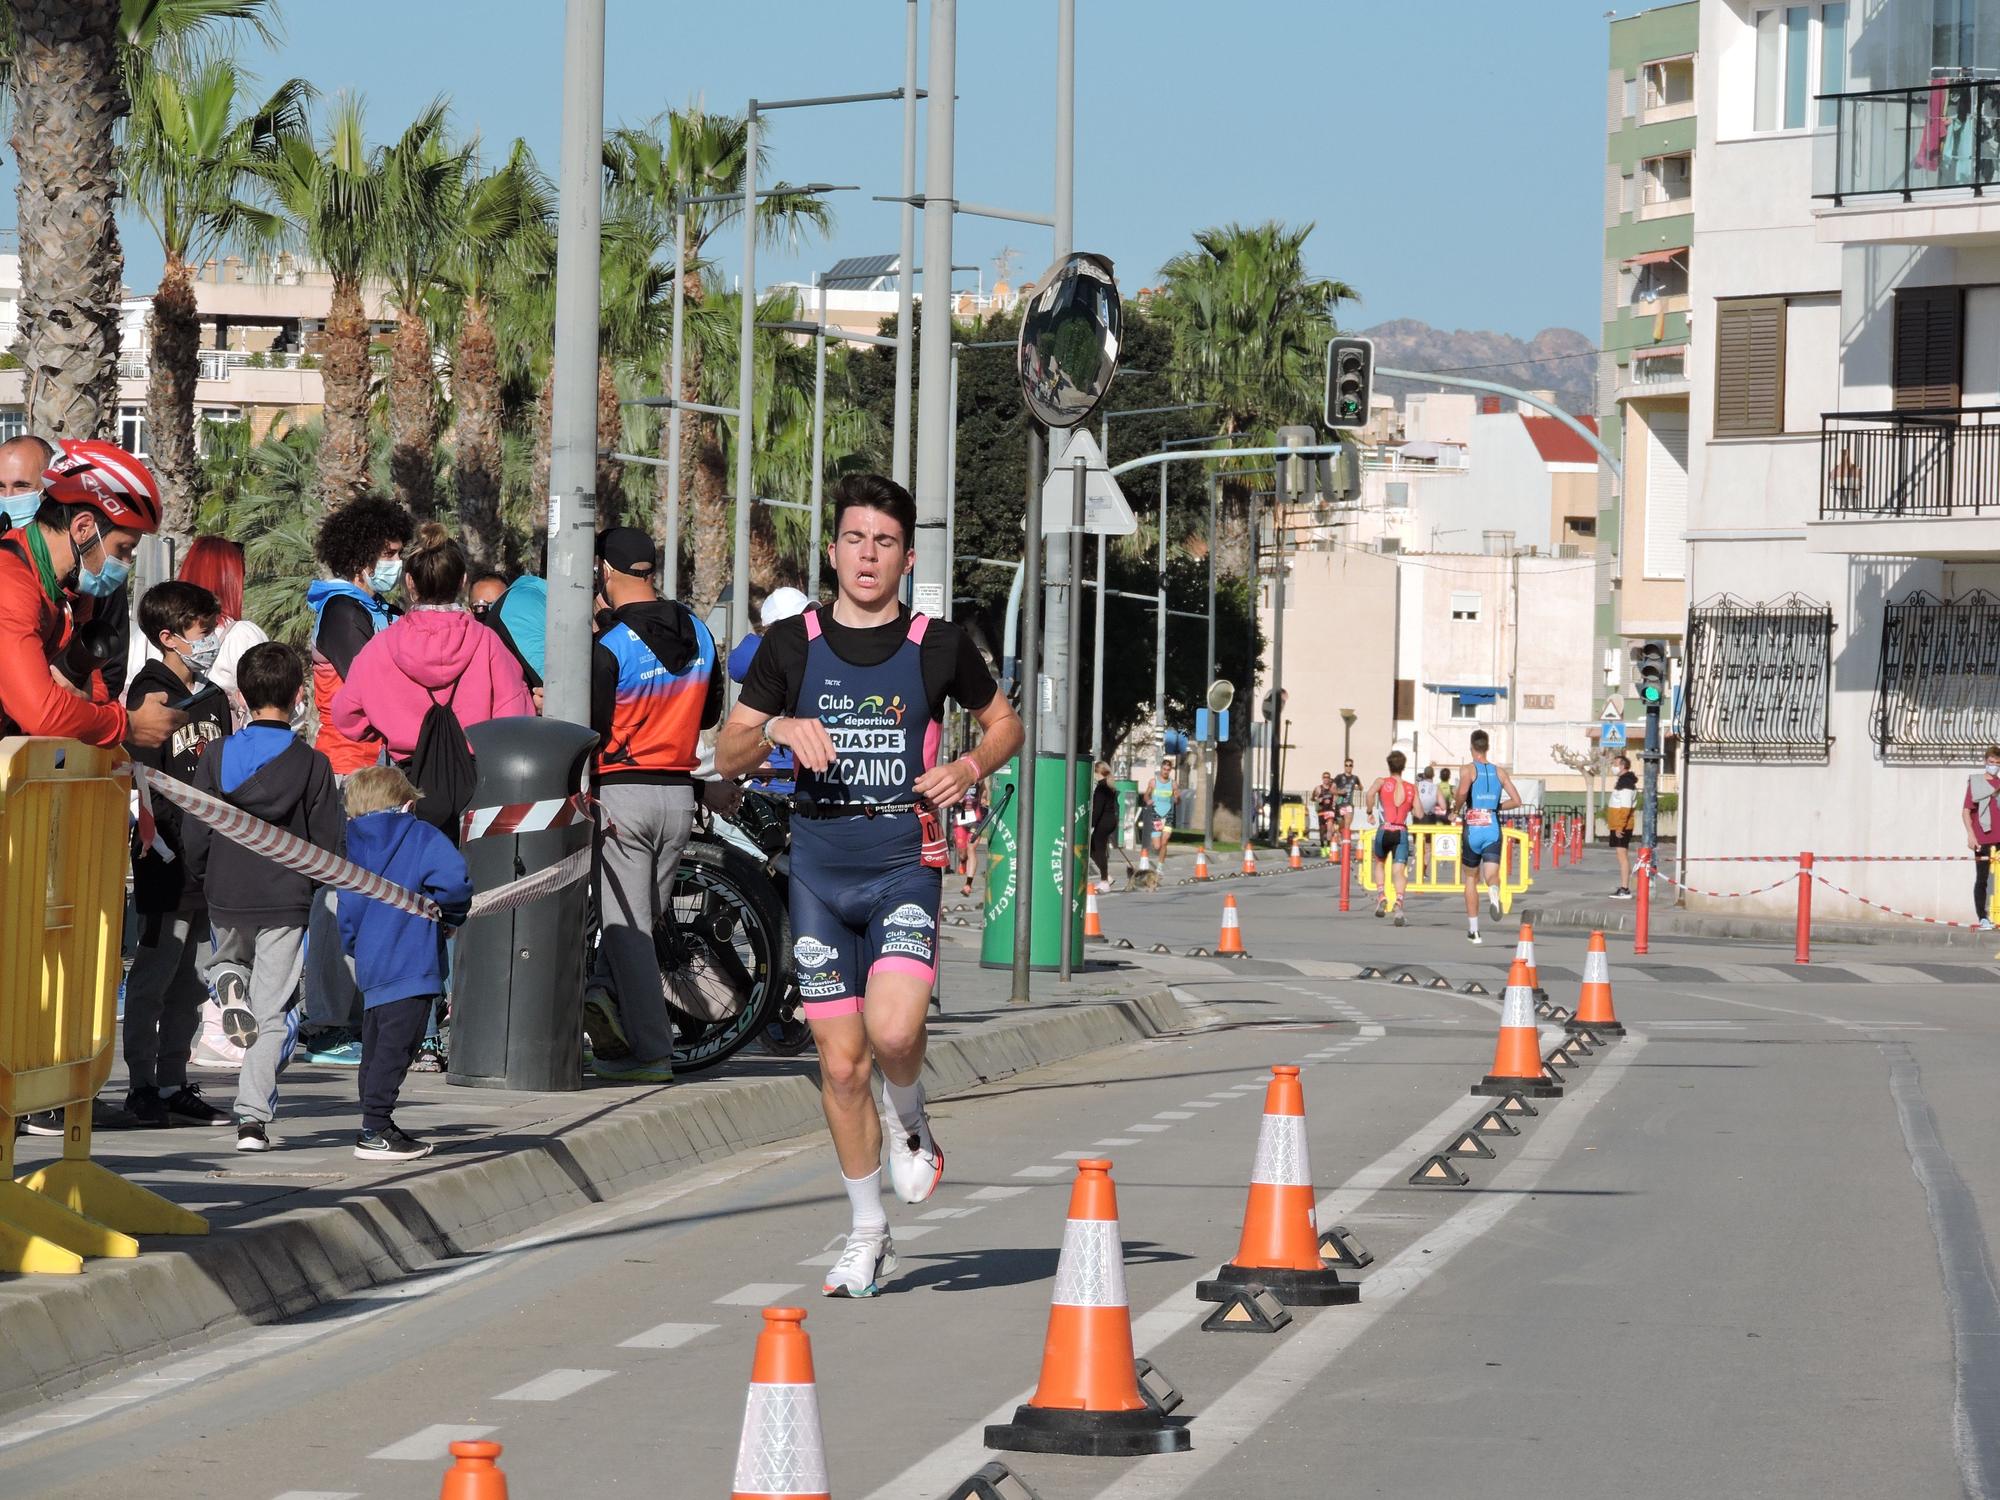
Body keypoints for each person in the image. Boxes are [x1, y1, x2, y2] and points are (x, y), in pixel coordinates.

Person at [717, 473, 1024, 1299]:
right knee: (842, 1067)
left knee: (892, 1038)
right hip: (818, 873)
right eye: (855, 539)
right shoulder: (791, 646)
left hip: (901, 867)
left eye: (884, 543)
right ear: (832, 551)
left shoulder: (938, 645)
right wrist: (777, 727)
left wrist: (966, 765)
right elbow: (728, 751)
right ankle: (866, 1231)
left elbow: (1007, 725)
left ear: (906, 558)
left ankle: (913, 1115)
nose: (867, 555)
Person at [579, 527, 725, 1085]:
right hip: (678, 798)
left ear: (605, 571)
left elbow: (590, 729)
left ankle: (649, 1050)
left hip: (623, 795)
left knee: (627, 931)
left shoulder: (609, 645)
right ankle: (599, 996)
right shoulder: (700, 632)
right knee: (644, 920)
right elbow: (709, 715)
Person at [183, 643, 342, 1153]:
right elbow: (327, 842)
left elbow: (198, 828)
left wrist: (206, 874)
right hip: (285, 898)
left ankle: (226, 980)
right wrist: (311, 888)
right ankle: (251, 1119)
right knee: (272, 1013)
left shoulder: (216, 755)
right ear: (299, 696)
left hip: (227, 891)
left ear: (243, 697)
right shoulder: (312, 765)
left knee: (229, 960)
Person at [300, 495, 413, 1065]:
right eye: (389, 552)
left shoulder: (373, 608)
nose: (396, 561)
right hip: (349, 771)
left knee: (360, 898)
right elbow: (369, 688)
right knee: (339, 897)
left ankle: (341, 1017)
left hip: (375, 772)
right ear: (362, 554)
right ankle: (323, 1022)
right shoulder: (346, 613)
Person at [121, 580, 233, 1127]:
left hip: (208, 859)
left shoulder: (212, 697)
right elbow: (142, 783)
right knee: (155, 972)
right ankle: (141, 1082)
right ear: (169, 637)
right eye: (203, 629)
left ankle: (172, 1081)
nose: (212, 637)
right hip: (163, 857)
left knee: (191, 980)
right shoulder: (150, 694)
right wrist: (160, 840)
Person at [0, 437, 182, 750]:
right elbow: (43, 713)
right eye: (122, 549)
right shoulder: (11, 583)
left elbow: (90, 685)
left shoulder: (66, 587)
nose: (125, 564)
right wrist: (128, 724)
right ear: (83, 528)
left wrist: (88, 703)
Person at [336, 764, 474, 1161]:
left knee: (376, 1049)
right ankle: (376, 1128)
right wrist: (450, 916)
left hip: (373, 967)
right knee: (398, 1051)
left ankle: (373, 1121)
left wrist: (358, 947)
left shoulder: (353, 848)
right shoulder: (420, 834)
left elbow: (346, 914)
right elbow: (453, 881)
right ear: (408, 804)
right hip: (413, 965)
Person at [331, 522, 534, 762]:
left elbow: (347, 717)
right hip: (477, 779)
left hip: (408, 780)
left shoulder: (380, 646)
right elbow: (516, 716)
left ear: (410, 583)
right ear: (462, 581)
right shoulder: (488, 642)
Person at [177, 537, 270, 731]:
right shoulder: (242, 635)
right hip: (225, 753)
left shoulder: (152, 636)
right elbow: (271, 708)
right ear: (231, 578)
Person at [1456, 729, 1522, 945]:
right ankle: (1494, 891)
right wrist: (1495, 807)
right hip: (1492, 825)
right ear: (1487, 747)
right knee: (1491, 874)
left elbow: (1463, 792)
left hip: (1473, 825)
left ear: (1471, 747)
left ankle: (1474, 931)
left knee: (1470, 878)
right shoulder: (1500, 772)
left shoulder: (1467, 769)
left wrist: (1455, 809)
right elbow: (1517, 800)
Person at [1367, 750, 1416, 926]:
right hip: (1401, 831)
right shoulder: (1411, 787)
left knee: (1379, 863)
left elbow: (1369, 794)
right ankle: (1399, 904)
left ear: (1389, 765)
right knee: (1398, 871)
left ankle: (1381, 896)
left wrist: (1369, 812)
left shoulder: (1381, 782)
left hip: (1384, 828)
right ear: (1403, 767)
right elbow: (1419, 812)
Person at [1964, 746, 2000, 930]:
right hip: (1982, 838)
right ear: (1985, 761)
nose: (1993, 766)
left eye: (1997, 763)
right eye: (1991, 762)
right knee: (1982, 878)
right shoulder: (1975, 783)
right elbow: (1966, 812)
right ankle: (1983, 918)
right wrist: (1971, 835)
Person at [1606, 753, 1639, 898]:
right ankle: (1625, 886)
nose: (1613, 767)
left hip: (1622, 826)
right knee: (1621, 855)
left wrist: (1620, 827)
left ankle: (1625, 888)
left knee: (1622, 856)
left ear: (1623, 766)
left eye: (1615, 764)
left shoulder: (1626, 784)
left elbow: (1625, 807)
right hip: (1618, 824)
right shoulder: (1622, 782)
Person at [1089, 761, 1118, 893]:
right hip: (1110, 820)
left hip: (1103, 822)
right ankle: (1106, 876)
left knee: (1096, 849)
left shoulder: (1101, 788)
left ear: (1097, 772)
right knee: (1096, 849)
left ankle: (1105, 880)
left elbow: (1097, 810)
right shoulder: (1110, 786)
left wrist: (1091, 824)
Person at [953, 781, 983, 897]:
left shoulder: (978, 780)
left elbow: (985, 791)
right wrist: (957, 800)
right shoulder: (956, 778)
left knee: (971, 847)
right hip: (961, 818)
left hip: (975, 819)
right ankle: (963, 860)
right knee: (962, 854)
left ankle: (968, 884)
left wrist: (984, 798)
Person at [1145, 761, 1176, 866]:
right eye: (1164, 769)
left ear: (1170, 770)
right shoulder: (1153, 782)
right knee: (1157, 846)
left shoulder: (1173, 783)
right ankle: (1158, 851)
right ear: (1161, 769)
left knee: (1165, 842)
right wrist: (1148, 800)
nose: (1166, 772)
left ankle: (1160, 867)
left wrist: (1177, 799)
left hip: (1168, 815)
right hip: (1156, 815)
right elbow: (1146, 795)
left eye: (1168, 770)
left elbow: (1177, 797)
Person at [1332, 759, 1362, 845]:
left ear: (1352, 766)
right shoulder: (1339, 777)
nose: (1348, 767)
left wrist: (1356, 787)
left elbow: (1361, 787)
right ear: (1344, 766)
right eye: (1346, 765)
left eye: (1350, 765)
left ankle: (1345, 841)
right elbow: (1332, 789)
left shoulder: (1355, 778)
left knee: (1347, 824)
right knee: (1340, 824)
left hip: (1349, 804)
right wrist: (1339, 792)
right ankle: (1338, 834)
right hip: (1340, 804)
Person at [1313, 771, 1339, 853]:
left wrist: (1335, 802)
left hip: (1330, 810)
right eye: (1324, 777)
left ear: (1329, 779)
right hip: (1321, 811)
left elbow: (1336, 797)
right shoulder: (1318, 788)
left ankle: (1328, 847)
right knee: (1322, 830)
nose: (1326, 779)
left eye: (1327, 777)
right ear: (1322, 778)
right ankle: (1322, 846)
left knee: (1329, 829)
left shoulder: (1332, 788)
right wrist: (1317, 800)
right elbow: (1312, 798)